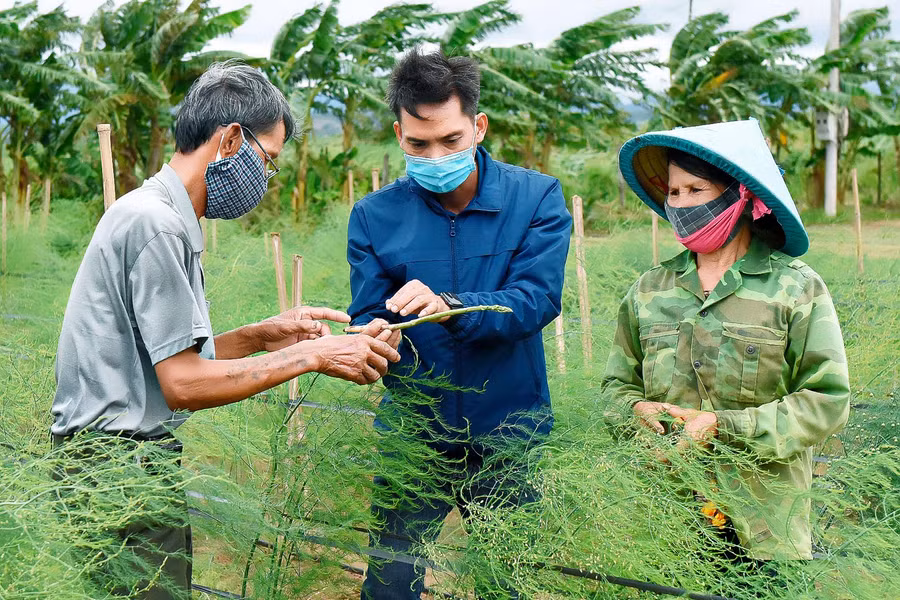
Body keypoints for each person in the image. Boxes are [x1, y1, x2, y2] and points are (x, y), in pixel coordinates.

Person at [50, 61, 401, 599]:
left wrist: (261, 335)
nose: (265, 178)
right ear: (231, 139)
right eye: (268, 161)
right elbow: (184, 383)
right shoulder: (156, 224)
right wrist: (314, 357)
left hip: (115, 464)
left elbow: (164, 357)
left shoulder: (158, 213)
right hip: (116, 467)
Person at [348, 49, 572, 599]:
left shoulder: (536, 198)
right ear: (399, 133)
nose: (435, 155)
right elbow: (368, 312)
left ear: (478, 126)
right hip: (415, 435)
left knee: (504, 580)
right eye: (417, 144)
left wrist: (448, 304)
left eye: (450, 141)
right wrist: (374, 339)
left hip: (507, 432)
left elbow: (535, 299)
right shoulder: (374, 216)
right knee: (390, 582)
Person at [604, 119, 851, 563]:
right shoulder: (649, 290)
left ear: (739, 196)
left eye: (696, 190)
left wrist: (724, 427)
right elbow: (615, 387)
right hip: (668, 522)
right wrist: (634, 409)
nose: (681, 204)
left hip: (766, 523)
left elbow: (827, 400)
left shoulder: (795, 288)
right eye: (674, 193)